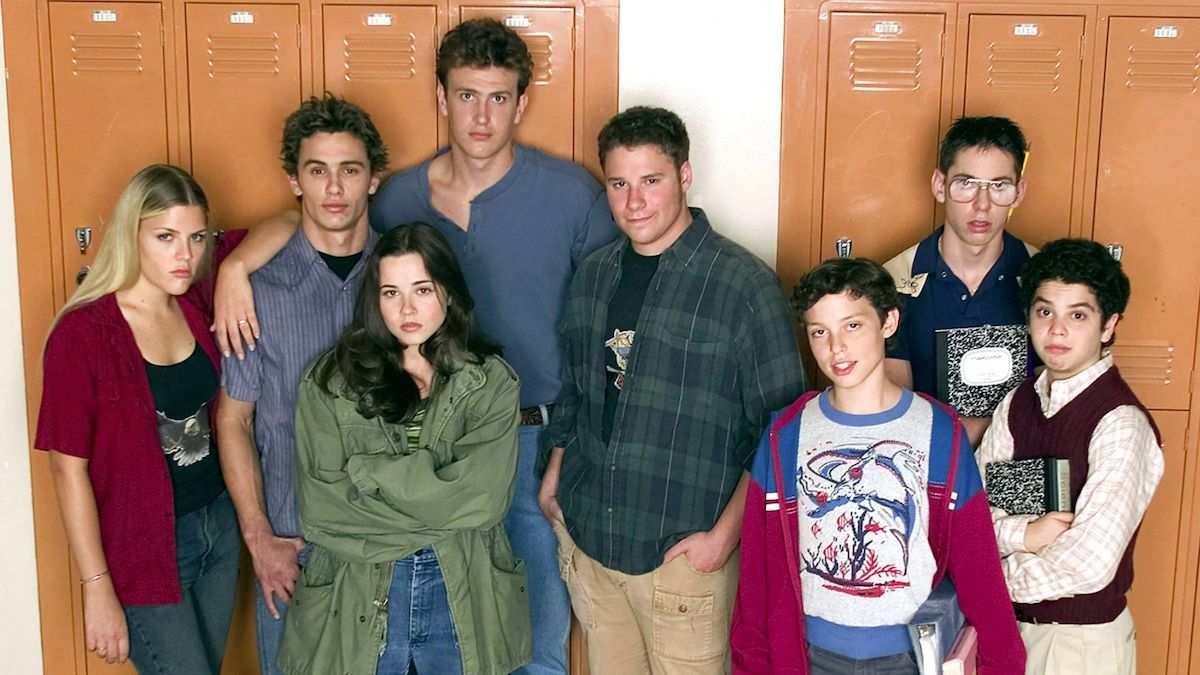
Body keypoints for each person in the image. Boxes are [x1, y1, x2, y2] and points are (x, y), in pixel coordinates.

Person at [211, 20, 616, 674]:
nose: (481, 115)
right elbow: (321, 212)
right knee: (399, 637)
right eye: (465, 95)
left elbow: (610, 331)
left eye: (498, 97)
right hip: (405, 455)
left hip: (535, 443)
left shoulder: (572, 196)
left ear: (523, 102)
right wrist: (233, 268)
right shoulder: (399, 199)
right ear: (440, 97)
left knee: (531, 643)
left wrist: (572, 448)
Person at [537, 106, 805, 674]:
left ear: (684, 176)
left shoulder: (743, 284)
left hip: (685, 553)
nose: (634, 202)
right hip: (592, 538)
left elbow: (782, 431)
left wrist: (723, 539)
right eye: (619, 183)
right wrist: (555, 483)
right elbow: (577, 390)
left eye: (651, 181)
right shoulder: (593, 275)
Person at [732, 257, 1025, 674]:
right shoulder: (786, 434)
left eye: (852, 326)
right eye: (820, 332)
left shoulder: (940, 432)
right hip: (808, 656)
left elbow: (979, 571)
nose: (836, 348)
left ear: (888, 323)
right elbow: (755, 576)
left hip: (905, 658)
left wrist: (1004, 664)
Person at [278, 223, 531, 674]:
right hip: (360, 588)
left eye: (422, 290)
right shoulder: (330, 382)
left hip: (459, 585)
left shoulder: (491, 381)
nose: (407, 309)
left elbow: (484, 501)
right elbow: (322, 512)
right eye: (391, 293)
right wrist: (440, 503)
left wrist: (370, 474)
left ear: (449, 294)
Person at [36, 164, 241, 673]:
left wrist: (234, 270)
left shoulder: (193, 299)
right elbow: (67, 469)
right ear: (133, 234)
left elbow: (286, 225)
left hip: (219, 526)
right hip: (145, 546)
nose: (185, 255)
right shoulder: (82, 334)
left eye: (196, 237)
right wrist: (97, 589)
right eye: (165, 236)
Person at [215, 94, 387, 675]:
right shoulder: (256, 287)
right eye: (317, 171)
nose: (333, 188)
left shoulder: (405, 276)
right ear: (294, 180)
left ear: (374, 179)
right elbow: (233, 420)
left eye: (350, 170)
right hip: (293, 545)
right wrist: (259, 539)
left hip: (391, 542)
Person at [977, 239, 1163, 675]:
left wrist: (985, 579)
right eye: (1045, 312)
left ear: (1108, 325)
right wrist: (1027, 535)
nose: (1056, 330)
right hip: (1005, 630)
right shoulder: (1018, 402)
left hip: (1078, 646)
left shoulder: (1120, 422)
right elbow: (974, 514)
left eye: (1077, 315)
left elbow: (1088, 564)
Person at [883, 116, 1037, 445]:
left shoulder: (1045, 280)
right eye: (966, 183)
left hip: (1021, 471)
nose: (982, 205)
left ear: (1019, 192)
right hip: (931, 471)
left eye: (999, 186)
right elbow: (894, 411)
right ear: (940, 186)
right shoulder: (893, 283)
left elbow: (1059, 405)